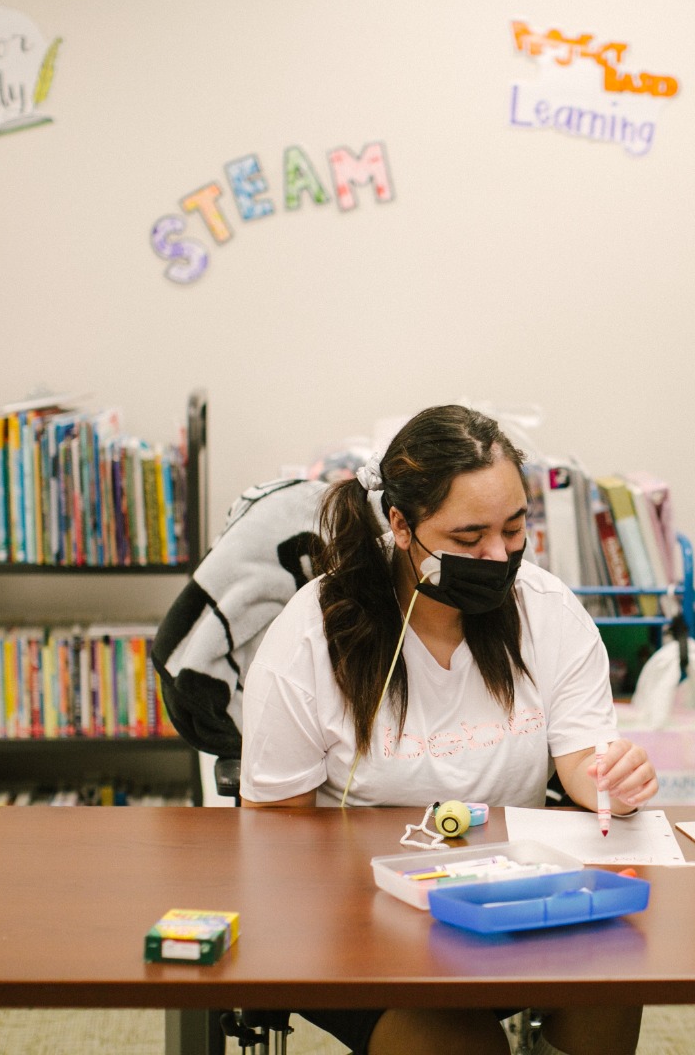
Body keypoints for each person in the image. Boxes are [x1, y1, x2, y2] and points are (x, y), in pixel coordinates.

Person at [240, 404, 657, 1055]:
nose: (497, 555)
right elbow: (272, 829)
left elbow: (583, 759)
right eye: (468, 540)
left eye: (514, 529)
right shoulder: (313, 635)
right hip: (356, 913)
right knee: (458, 1043)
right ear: (402, 526)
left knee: (613, 987)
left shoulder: (546, 612)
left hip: (509, 896)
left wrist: (612, 777)